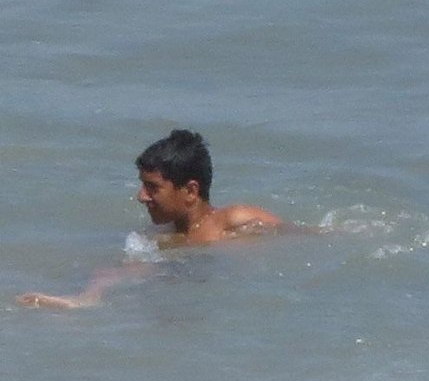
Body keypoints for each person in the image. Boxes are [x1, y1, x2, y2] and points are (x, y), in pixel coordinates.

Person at [16, 129, 284, 309]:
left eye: (152, 187)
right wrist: (89, 293)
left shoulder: (234, 220)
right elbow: (127, 269)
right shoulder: (164, 234)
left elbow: (298, 239)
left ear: (191, 191)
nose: (141, 196)